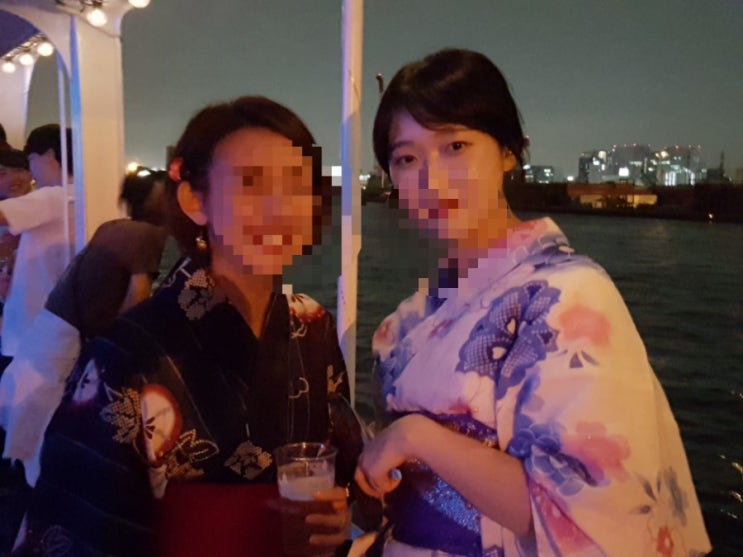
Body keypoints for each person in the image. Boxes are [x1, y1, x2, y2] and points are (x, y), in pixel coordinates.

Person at [354, 49, 711, 556]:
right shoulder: (406, 319)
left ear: (508, 152)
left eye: (455, 145)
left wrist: (419, 437)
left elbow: (593, 514)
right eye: (406, 158)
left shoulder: (571, 296)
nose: (430, 179)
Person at [10, 96, 360, 557]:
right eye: (251, 184)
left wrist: (335, 518)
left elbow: (342, 468)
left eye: (298, 185)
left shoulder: (312, 327)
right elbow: (81, 524)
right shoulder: (129, 351)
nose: (280, 207)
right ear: (196, 200)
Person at [0, 169, 171, 489]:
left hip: (50, 332)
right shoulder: (145, 234)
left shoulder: (114, 227)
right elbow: (137, 297)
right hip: (64, 341)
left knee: (34, 444)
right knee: (45, 450)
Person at [0, 125, 74, 360]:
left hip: (28, 335)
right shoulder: (82, 197)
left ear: (49, 155)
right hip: (57, 328)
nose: (32, 171)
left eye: (31, 160)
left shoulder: (55, 195)